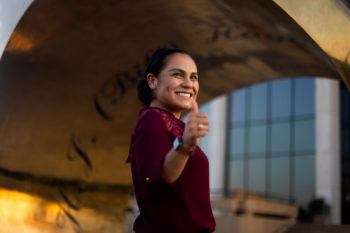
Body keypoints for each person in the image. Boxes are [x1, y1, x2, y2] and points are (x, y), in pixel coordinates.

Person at [127, 47, 216, 233]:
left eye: (194, 77)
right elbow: (155, 183)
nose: (188, 84)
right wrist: (184, 146)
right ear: (152, 81)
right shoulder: (152, 120)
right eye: (178, 75)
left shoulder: (176, 126)